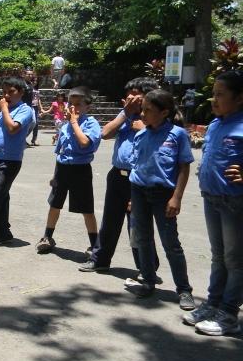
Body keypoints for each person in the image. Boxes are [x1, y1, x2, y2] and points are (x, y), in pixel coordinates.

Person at [79, 78, 159, 276]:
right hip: (117, 175)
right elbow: (104, 133)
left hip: (139, 177)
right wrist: (125, 114)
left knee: (138, 225)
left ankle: (146, 267)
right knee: (110, 221)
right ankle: (100, 259)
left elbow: (161, 146)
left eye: (136, 95)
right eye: (128, 95)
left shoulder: (153, 120)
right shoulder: (125, 115)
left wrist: (144, 127)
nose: (130, 98)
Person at [185, 70, 243, 334]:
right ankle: (213, 303)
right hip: (212, 198)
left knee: (235, 259)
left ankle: (229, 313)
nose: (213, 99)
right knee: (218, 256)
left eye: (220, 95)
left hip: (235, 201)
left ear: (240, 98)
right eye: (213, 94)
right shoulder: (218, 124)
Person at [126, 89, 195, 311]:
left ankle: (184, 289)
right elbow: (136, 167)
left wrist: (177, 198)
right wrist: (132, 198)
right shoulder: (141, 134)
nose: (143, 114)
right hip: (139, 192)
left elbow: (184, 167)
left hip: (163, 195)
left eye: (148, 110)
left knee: (170, 243)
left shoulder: (177, 135)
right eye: (142, 109)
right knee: (144, 239)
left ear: (164, 112)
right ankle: (148, 280)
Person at [36, 86, 101, 255]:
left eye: (78, 104)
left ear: (88, 106)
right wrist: (54, 174)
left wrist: (73, 123)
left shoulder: (91, 123)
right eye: (70, 104)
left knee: (86, 208)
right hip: (62, 169)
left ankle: (95, 244)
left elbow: (85, 143)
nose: (73, 108)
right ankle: (47, 237)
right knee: (54, 204)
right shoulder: (65, 126)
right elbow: (61, 151)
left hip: (81, 170)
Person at [0, 76, 35, 246]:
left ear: (21, 92)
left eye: (11, 92)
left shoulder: (25, 110)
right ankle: (3, 232)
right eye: (4, 92)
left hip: (9, 162)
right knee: (1, 198)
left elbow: (12, 129)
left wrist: (4, 108)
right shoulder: (5, 110)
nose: (7, 96)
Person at [24, 69, 41, 146]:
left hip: (30, 106)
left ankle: (22, 137)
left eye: (31, 74)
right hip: (23, 106)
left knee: (34, 122)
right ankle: (21, 139)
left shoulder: (30, 84)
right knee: (24, 123)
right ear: (24, 75)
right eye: (28, 74)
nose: (30, 76)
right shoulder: (22, 84)